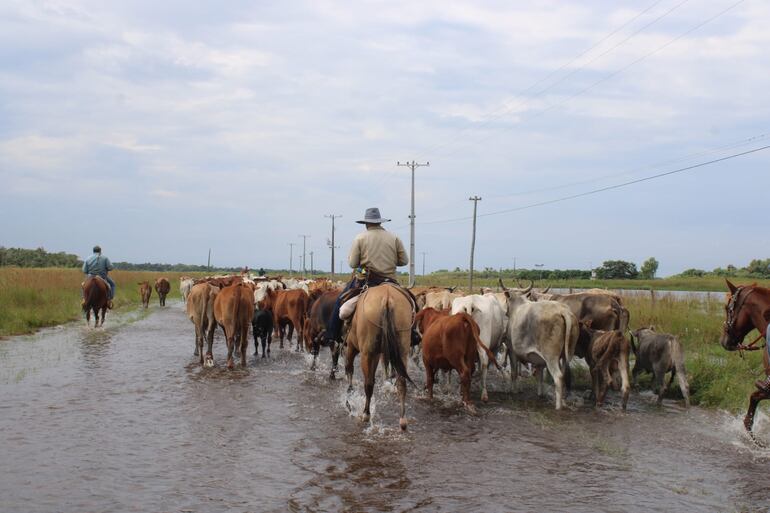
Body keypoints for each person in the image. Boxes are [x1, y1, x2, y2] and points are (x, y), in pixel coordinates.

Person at [325, 207, 411, 344]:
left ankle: (332, 334)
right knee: (411, 304)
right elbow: (404, 261)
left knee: (340, 301)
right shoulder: (394, 238)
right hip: (390, 281)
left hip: (366, 281)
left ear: (366, 223)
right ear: (380, 222)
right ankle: (412, 335)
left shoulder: (360, 238)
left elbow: (353, 264)